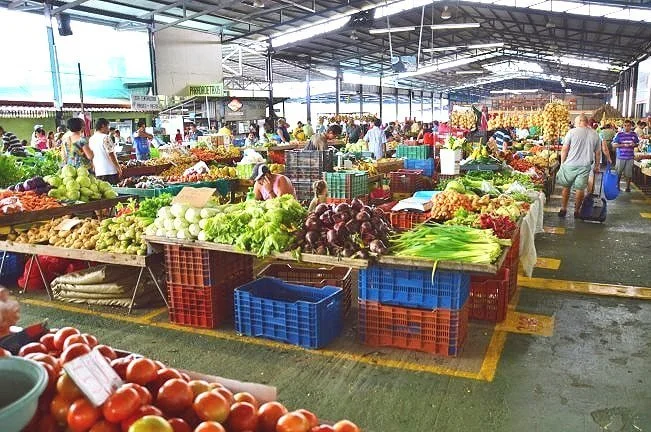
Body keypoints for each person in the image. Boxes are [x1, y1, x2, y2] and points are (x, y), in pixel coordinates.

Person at [556, 114, 601, 218]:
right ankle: (577, 211)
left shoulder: (572, 132)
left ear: (580, 121)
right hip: (585, 166)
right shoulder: (595, 134)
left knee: (566, 187)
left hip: (570, 164)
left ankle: (563, 209)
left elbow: (564, 149)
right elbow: (598, 153)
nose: (575, 124)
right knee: (580, 189)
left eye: (576, 122)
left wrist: (562, 163)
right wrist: (597, 166)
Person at [89, 118, 122, 184]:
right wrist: (118, 167)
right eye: (108, 126)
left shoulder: (91, 139)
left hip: (98, 171)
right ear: (103, 126)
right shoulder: (105, 137)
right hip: (109, 171)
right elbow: (111, 154)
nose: (108, 128)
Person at [611, 119, 639, 192]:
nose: (627, 127)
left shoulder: (634, 134)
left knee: (629, 173)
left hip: (630, 157)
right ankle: (617, 186)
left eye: (628, 126)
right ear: (623, 126)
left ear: (631, 126)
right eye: (625, 126)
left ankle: (628, 187)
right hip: (621, 157)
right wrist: (622, 145)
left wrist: (634, 145)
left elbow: (637, 143)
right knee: (618, 172)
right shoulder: (619, 134)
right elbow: (614, 145)